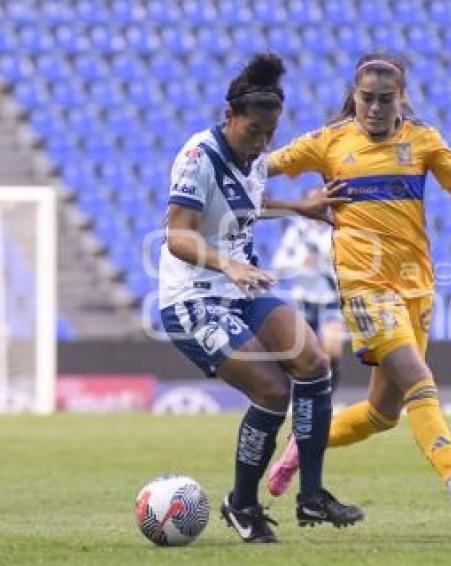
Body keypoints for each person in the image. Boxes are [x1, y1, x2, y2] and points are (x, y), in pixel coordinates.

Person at [264, 52, 451, 525]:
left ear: (401, 99)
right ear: (354, 97)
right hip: (364, 288)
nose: (374, 108)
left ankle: (304, 440)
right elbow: (256, 170)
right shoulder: (328, 142)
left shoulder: (423, 141)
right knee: (420, 379)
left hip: (415, 289)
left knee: (382, 414)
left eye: (384, 99)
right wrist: (296, 205)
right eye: (367, 98)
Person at [158, 52, 363, 543]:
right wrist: (228, 263)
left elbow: (247, 201)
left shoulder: (253, 156)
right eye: (253, 131)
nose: (262, 142)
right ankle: (243, 504)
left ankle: (311, 494)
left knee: (313, 360)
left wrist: (299, 206)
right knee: (273, 391)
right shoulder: (198, 156)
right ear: (229, 116)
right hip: (193, 299)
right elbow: (177, 235)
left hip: (242, 288)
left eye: (270, 134)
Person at [272, 214, 346, 390]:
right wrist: (300, 262)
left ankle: (329, 398)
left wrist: (324, 263)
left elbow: (344, 265)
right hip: (303, 299)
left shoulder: (336, 231)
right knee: (301, 353)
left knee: (333, 348)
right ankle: (296, 396)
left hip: (329, 298)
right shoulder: (298, 230)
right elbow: (279, 264)